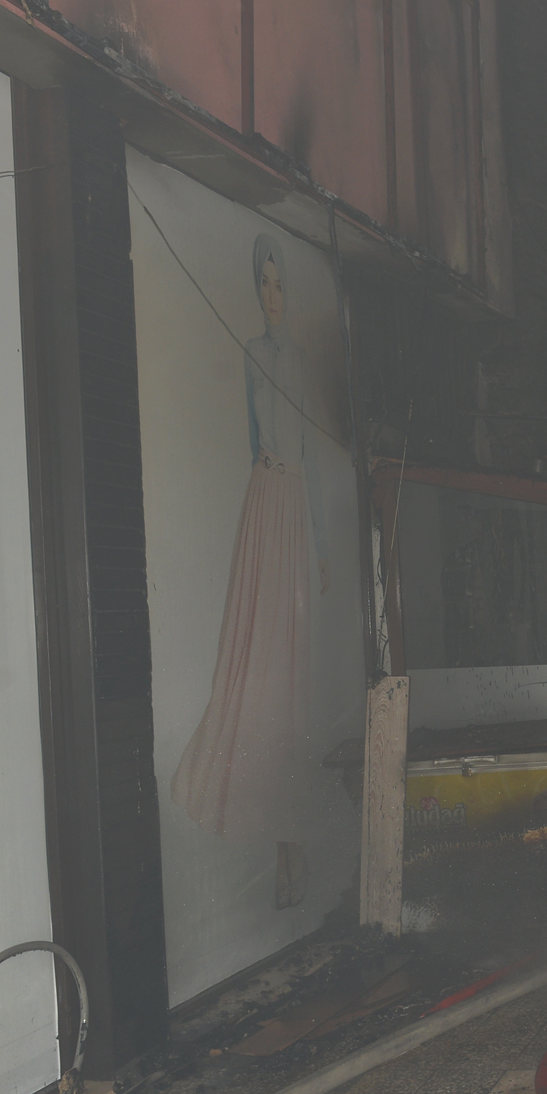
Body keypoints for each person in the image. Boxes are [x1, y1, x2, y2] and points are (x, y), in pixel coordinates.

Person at [171, 232, 330, 837]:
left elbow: (311, 456)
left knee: (288, 657)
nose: (272, 295)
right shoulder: (250, 354)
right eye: (263, 283)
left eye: (279, 283)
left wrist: (320, 547)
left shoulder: (303, 363)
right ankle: (234, 787)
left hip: (292, 503)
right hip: (263, 503)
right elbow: (249, 439)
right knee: (250, 645)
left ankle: (284, 812)